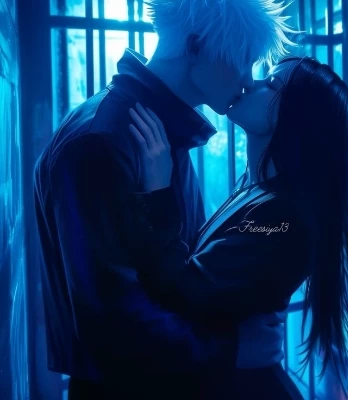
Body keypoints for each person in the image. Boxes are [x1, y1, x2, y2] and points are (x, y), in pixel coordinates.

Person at [33, 0, 296, 398]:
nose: (247, 80)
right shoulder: (104, 140)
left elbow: (176, 270)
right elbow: (109, 318)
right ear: (195, 47)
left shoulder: (152, 131)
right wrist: (230, 350)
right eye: (243, 61)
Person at [127, 56, 348, 398]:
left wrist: (157, 190)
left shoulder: (284, 218)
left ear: (297, 117)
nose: (249, 84)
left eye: (271, 84)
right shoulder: (257, 189)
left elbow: (184, 292)